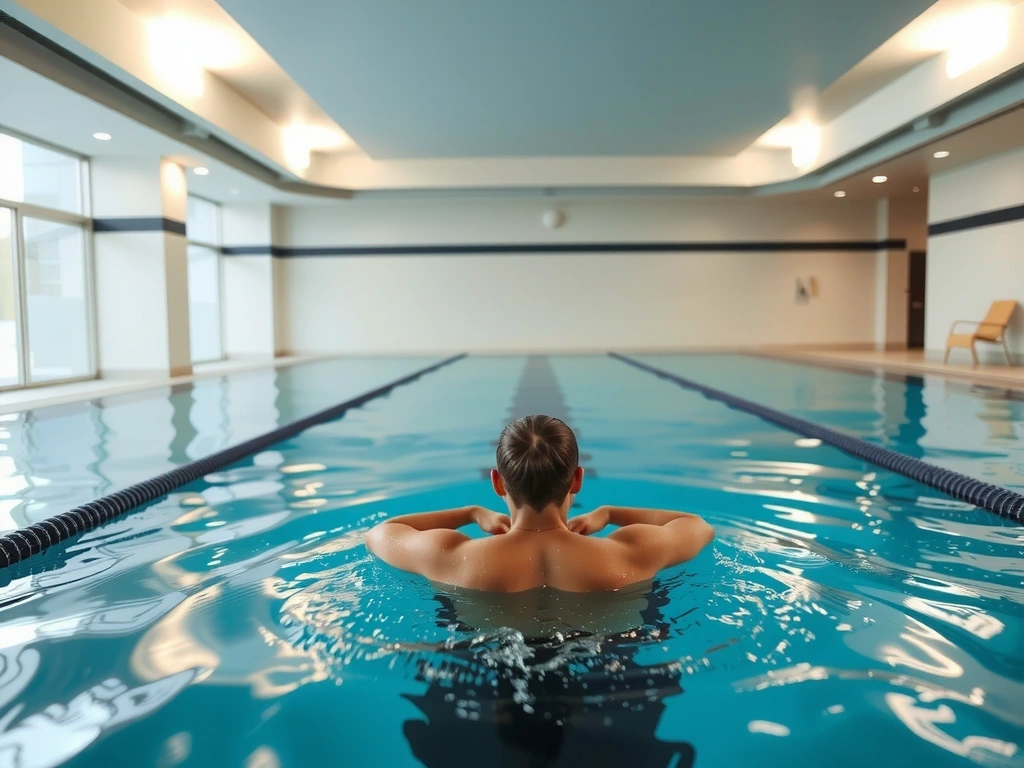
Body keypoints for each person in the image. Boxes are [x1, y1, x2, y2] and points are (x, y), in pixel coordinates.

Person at [365, 415, 714, 593]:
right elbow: (697, 525)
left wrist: (471, 513)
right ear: (576, 479)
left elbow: (382, 533)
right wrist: (610, 513)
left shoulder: (455, 558)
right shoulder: (630, 553)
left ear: (498, 482)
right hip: (604, 665)